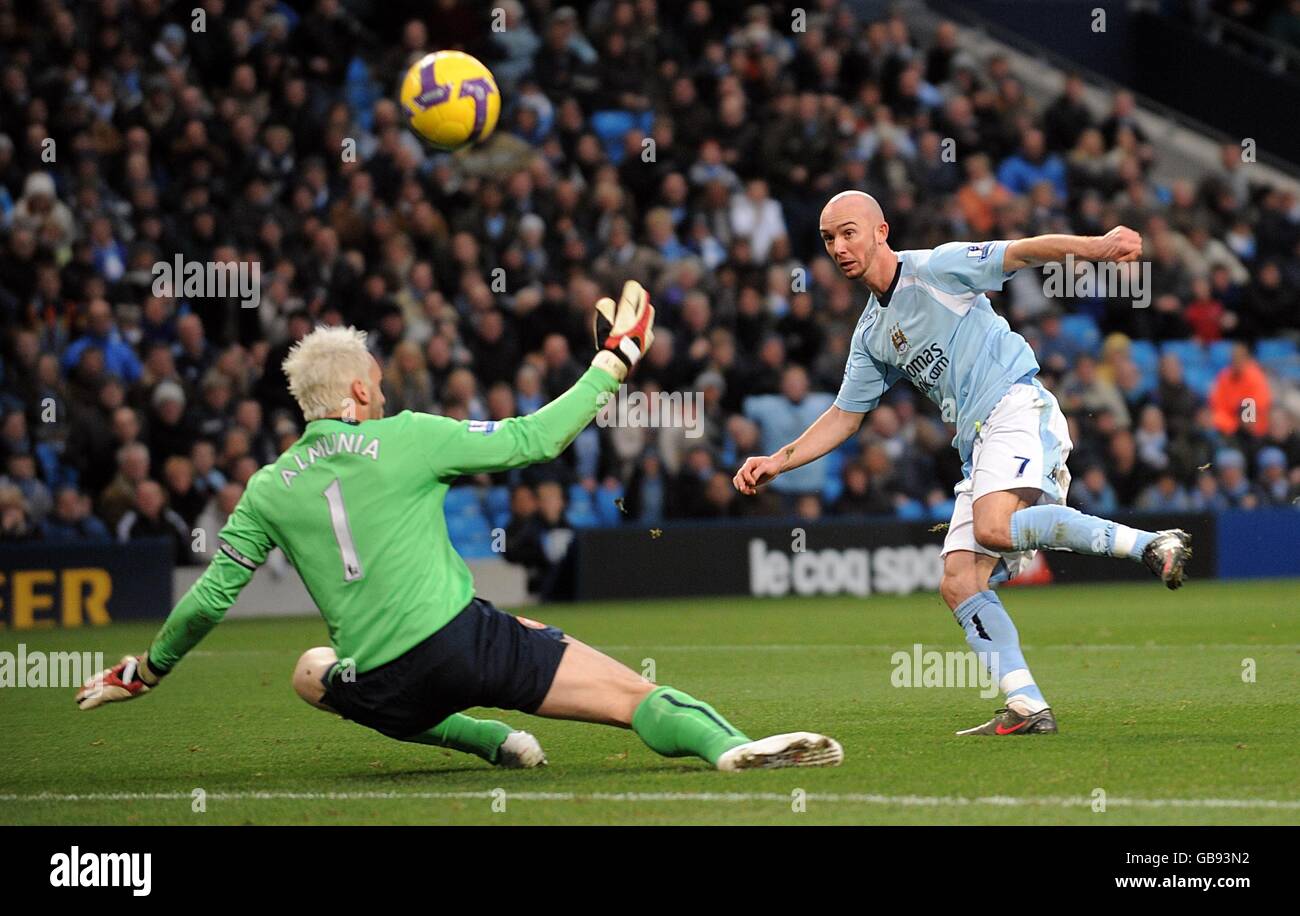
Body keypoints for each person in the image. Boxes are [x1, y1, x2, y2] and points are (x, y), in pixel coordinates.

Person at [77, 282, 842, 772]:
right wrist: (616, 360)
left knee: (311, 670)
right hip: (460, 646)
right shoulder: (407, 435)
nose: (382, 393)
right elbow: (537, 438)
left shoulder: (269, 486)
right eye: (375, 385)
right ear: (356, 390)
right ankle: (730, 746)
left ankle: (488, 741)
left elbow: (211, 600)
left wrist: (144, 672)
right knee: (631, 696)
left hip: (381, 687)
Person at [733, 191, 1191, 737]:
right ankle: (1026, 704)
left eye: (849, 232)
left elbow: (1020, 252)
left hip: (1015, 406)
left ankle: (1150, 544)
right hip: (977, 442)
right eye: (829, 238)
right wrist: (777, 461)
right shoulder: (871, 334)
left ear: (881, 231)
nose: (838, 247)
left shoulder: (936, 268)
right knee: (959, 581)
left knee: (995, 530)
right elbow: (843, 416)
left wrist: (1095, 246)